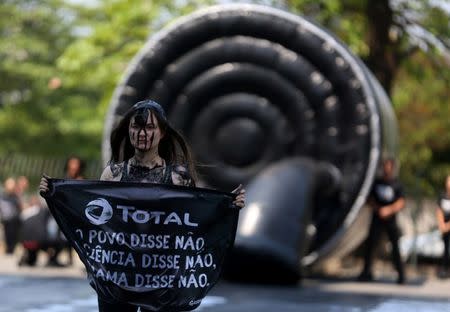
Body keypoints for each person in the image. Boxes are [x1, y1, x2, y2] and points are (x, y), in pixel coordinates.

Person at [40, 99, 245, 312]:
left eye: (149, 127)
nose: (142, 133)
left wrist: (227, 207)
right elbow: (93, 218)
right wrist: (56, 194)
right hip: (118, 277)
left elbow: (193, 222)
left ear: (162, 132)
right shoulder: (113, 175)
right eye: (136, 126)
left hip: (163, 280)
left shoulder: (177, 178)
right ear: (128, 130)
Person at [357, 158, 406, 284]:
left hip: (390, 220)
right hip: (377, 219)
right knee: (371, 245)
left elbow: (401, 202)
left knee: (395, 246)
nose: (386, 169)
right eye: (385, 167)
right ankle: (366, 272)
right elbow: (368, 199)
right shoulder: (376, 183)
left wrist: (388, 210)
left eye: (389, 167)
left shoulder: (397, 184)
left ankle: (401, 274)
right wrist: (378, 209)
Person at [0, 177, 22, 254]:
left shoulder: (16, 196)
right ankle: (9, 249)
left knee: (14, 235)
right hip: (6, 219)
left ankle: (11, 249)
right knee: (8, 235)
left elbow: (19, 207)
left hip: (15, 219)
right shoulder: (2, 196)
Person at [436, 174, 450, 278]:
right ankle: (444, 269)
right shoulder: (442, 196)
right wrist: (442, 225)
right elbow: (439, 210)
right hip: (444, 226)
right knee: (445, 248)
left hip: (448, 225)